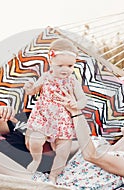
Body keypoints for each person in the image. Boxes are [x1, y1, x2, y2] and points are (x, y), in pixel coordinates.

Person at [23, 38, 87, 182]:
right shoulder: (46, 77)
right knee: (35, 139)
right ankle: (36, 159)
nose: (65, 69)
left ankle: (53, 176)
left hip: (63, 120)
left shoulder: (73, 81)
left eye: (70, 65)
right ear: (51, 61)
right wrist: (29, 88)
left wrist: (75, 104)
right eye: (60, 65)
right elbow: (33, 91)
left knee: (63, 152)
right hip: (44, 116)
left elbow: (83, 100)